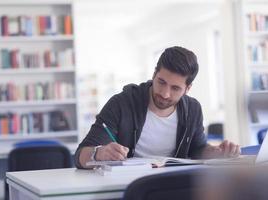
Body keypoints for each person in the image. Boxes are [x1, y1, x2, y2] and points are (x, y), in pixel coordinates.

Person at [75, 46, 241, 169]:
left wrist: (216, 153)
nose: (165, 93)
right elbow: (80, 156)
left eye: (175, 88)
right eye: (161, 82)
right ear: (154, 75)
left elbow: (198, 149)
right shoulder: (121, 103)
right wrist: (98, 153)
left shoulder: (193, 109)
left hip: (171, 186)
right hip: (129, 187)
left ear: (187, 89)